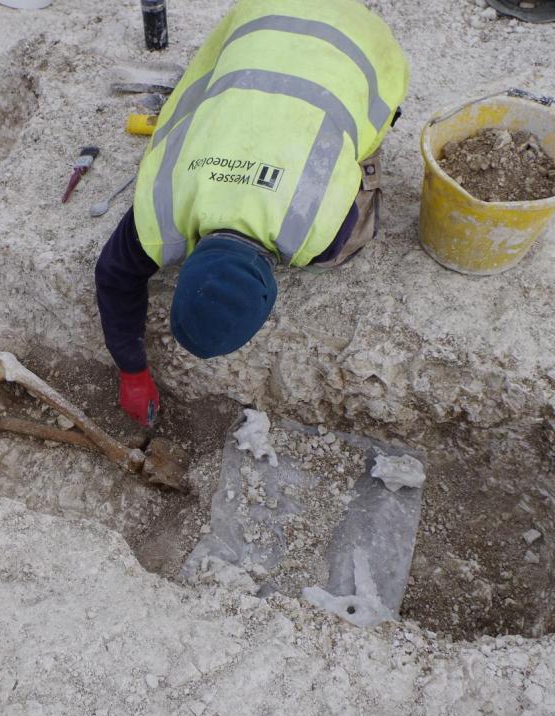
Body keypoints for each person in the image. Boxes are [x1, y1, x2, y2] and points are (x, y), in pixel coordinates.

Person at [95, 0, 409, 427]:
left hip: (364, 40)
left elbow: (117, 273)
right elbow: (112, 274)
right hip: (261, 14)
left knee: (342, 246)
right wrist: (131, 369)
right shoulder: (161, 205)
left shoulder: (321, 238)